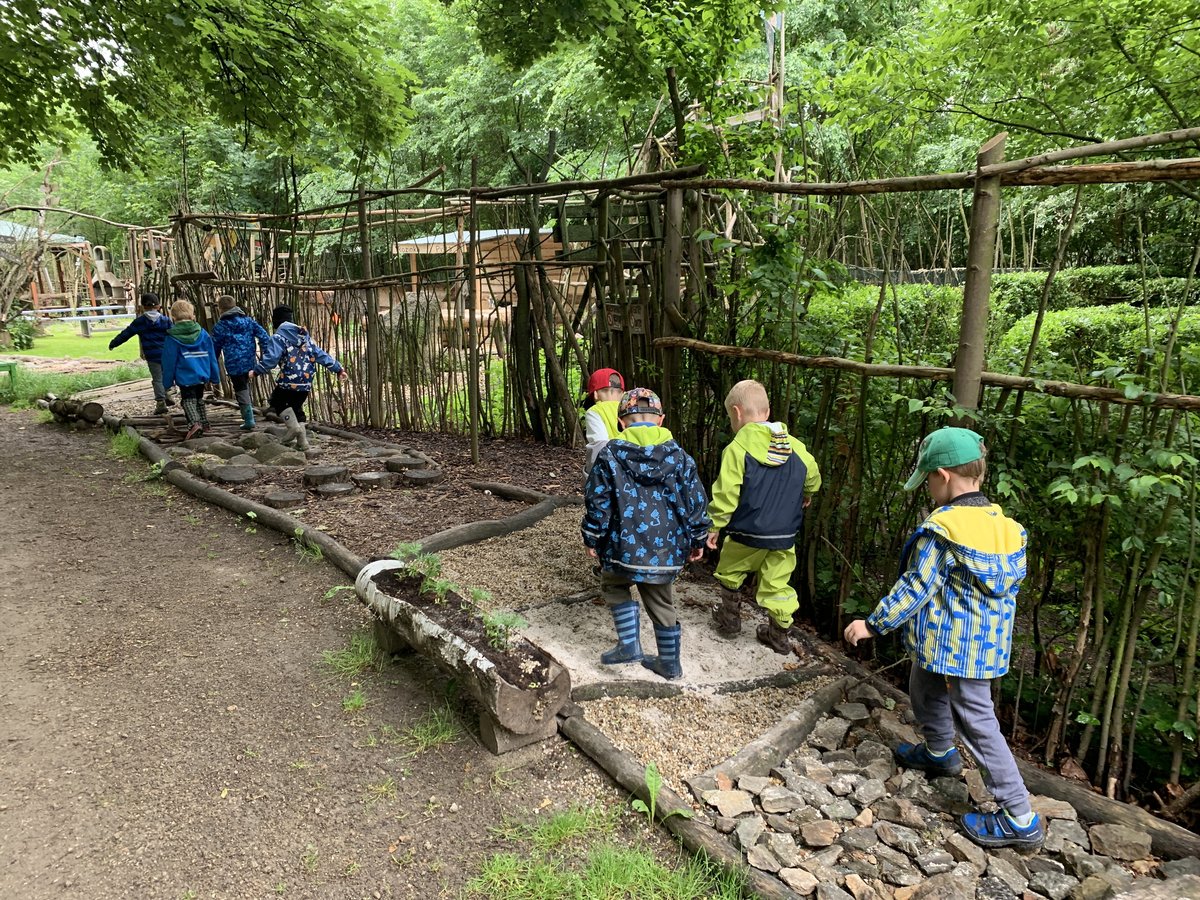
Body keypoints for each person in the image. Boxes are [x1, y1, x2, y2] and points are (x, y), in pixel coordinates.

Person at [843, 426, 1044, 851]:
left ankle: (1020, 816)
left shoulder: (944, 529)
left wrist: (874, 624)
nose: (929, 489)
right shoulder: (1006, 527)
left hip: (956, 647)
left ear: (943, 476)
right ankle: (940, 753)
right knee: (924, 683)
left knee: (978, 723)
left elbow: (916, 586)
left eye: (928, 481)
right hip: (980, 646)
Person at [581, 387, 711, 680]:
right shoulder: (680, 457)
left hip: (621, 548)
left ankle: (629, 645)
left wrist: (592, 537)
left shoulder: (610, 454)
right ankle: (670, 663)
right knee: (662, 601)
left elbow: (597, 502)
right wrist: (698, 538)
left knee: (614, 585)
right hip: (665, 549)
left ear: (620, 422)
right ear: (661, 420)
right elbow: (696, 502)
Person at [707, 379, 821, 654]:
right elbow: (813, 474)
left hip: (746, 532)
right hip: (783, 535)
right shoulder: (795, 446)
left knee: (730, 572)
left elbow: (726, 493)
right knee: (778, 585)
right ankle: (778, 635)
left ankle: (730, 621)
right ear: (767, 412)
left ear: (736, 413)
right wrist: (808, 492)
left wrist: (715, 525)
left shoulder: (737, 449)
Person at [251, 304, 348, 451]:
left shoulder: (278, 338)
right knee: (296, 408)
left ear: (276, 321)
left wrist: (257, 371)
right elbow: (321, 354)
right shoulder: (305, 338)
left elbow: (272, 359)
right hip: (306, 381)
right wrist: (338, 369)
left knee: (277, 402)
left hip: (289, 380)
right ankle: (302, 443)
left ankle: (294, 428)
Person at [160, 299, 220, 441]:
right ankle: (204, 423)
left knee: (188, 400)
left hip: (185, 375)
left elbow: (168, 362)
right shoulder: (203, 334)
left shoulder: (172, 337)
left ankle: (194, 424)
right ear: (192, 315)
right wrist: (215, 376)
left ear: (173, 317)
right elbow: (211, 356)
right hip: (202, 374)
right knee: (199, 398)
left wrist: (167, 382)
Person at [211, 294, 271, 431]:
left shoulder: (220, 326)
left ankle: (249, 419)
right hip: (249, 361)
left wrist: (212, 362)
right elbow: (264, 336)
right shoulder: (248, 321)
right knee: (245, 386)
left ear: (220, 309)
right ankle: (248, 414)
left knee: (240, 389)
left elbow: (214, 347)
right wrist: (267, 354)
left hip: (233, 364)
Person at [108, 292, 172, 414]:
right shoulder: (165, 321)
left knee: (157, 379)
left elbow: (126, 334)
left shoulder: (140, 322)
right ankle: (168, 392)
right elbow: (174, 335)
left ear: (143, 307)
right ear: (158, 306)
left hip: (152, 356)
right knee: (167, 375)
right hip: (167, 354)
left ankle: (161, 403)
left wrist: (114, 343)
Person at [582, 367, 625, 471]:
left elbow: (599, 443)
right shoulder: (629, 410)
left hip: (611, 468)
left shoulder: (594, 411)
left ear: (595, 394)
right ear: (623, 394)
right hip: (633, 465)